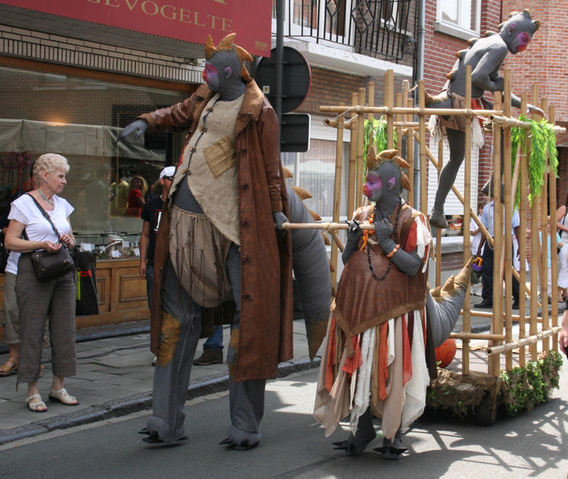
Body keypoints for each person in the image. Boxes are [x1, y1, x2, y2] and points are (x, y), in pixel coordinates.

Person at [119, 33, 293, 448]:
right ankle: (164, 421)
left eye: (212, 68)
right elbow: (175, 113)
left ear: (230, 72)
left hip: (235, 231)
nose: (205, 74)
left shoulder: (258, 111)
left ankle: (245, 426)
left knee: (248, 327)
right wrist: (147, 120)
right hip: (181, 225)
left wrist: (275, 213)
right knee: (175, 322)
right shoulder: (204, 97)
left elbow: (271, 170)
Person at [314, 149, 469, 459]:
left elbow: (415, 266)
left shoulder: (414, 220)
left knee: (391, 373)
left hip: (394, 316)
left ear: (391, 184)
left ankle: (393, 432)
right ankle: (360, 429)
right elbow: (346, 260)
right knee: (356, 372)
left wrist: (387, 243)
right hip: (356, 311)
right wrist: (353, 239)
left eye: (373, 181)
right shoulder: (361, 215)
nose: (367, 186)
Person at [427, 10, 543, 228]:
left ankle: (440, 207)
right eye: (524, 40)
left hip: (460, 100)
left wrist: (525, 105)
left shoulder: (489, 41)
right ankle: (493, 182)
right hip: (463, 104)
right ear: (511, 30)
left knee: (459, 155)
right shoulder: (498, 47)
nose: (524, 46)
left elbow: (494, 85)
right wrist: (496, 85)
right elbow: (479, 77)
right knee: (502, 128)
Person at [5, 153, 78, 412]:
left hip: (62, 271)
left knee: (64, 329)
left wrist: (70, 241)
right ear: (45, 176)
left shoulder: (62, 204)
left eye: (65, 176)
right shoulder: (24, 204)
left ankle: (58, 386)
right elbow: (10, 241)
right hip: (33, 271)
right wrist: (39, 244)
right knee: (32, 330)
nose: (64, 181)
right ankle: (32, 391)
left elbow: (70, 234)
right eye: (60, 176)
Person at [474, 192, 521, 309]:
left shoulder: (511, 206)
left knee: (508, 270)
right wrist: (480, 247)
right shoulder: (487, 208)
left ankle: (519, 298)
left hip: (506, 239)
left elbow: (517, 227)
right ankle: (489, 299)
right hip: (491, 239)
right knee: (487, 271)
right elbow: (485, 229)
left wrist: (520, 245)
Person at [139, 166, 174, 310]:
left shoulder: (179, 205)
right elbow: (145, 235)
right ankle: (156, 332)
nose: (174, 181)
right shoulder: (152, 205)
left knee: (172, 306)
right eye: (171, 178)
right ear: (162, 180)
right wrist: (142, 262)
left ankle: (169, 332)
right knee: (154, 305)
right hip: (154, 263)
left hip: (174, 265)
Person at [556, 197, 568, 299]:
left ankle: (564, 292)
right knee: (564, 267)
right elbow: (553, 221)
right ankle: (558, 292)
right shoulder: (564, 208)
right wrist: (566, 229)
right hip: (564, 243)